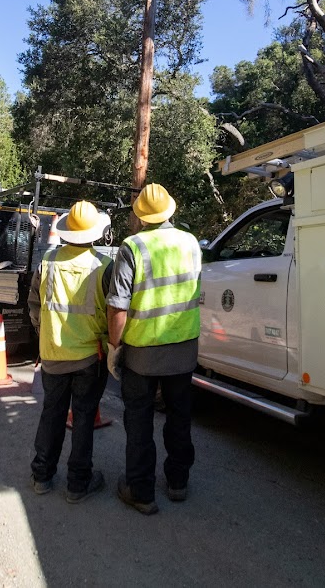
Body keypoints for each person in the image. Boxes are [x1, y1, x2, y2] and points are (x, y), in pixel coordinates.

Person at [106, 183, 202, 515]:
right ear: (171, 211)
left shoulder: (132, 247)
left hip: (143, 352)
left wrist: (113, 346)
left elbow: (118, 308)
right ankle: (178, 482)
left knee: (139, 420)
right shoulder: (191, 242)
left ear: (141, 216)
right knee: (179, 416)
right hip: (184, 349)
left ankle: (141, 490)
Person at [29, 200, 113, 503]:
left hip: (53, 355)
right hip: (91, 356)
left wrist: (46, 337)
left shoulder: (47, 262)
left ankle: (42, 475)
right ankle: (78, 483)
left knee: (51, 413)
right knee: (83, 416)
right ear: (96, 234)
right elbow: (113, 311)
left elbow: (35, 308)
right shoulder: (104, 266)